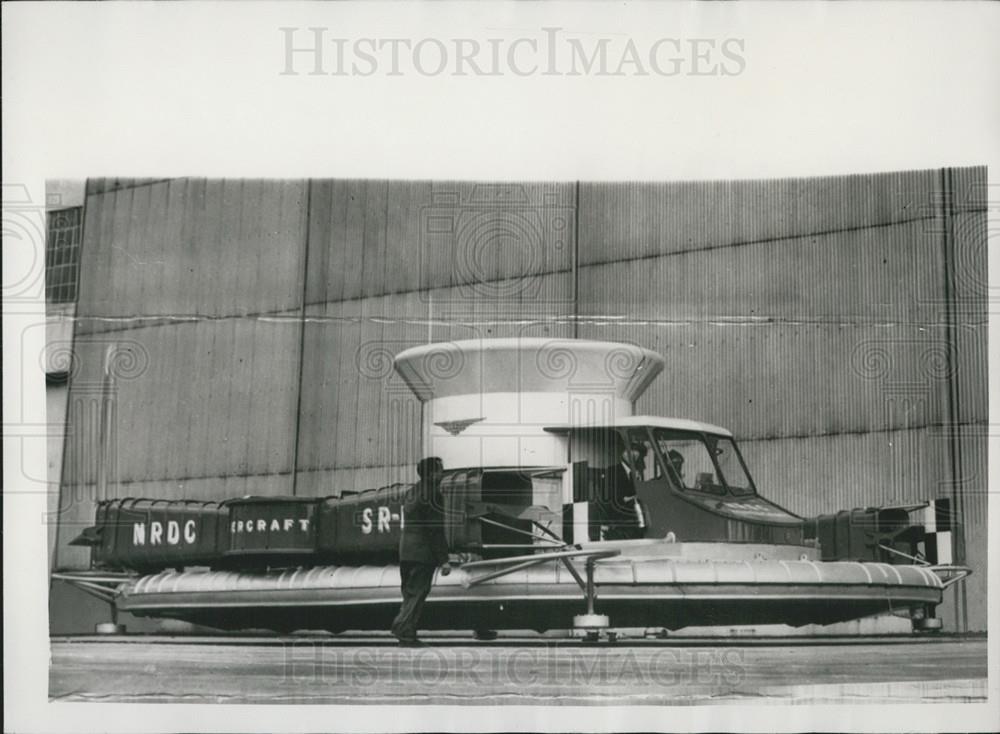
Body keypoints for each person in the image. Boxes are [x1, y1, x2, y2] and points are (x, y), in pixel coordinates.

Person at [390, 456, 452, 646]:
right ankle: (401, 627)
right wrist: (444, 559)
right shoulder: (433, 494)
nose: (442, 474)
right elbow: (434, 529)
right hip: (422, 552)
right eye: (440, 470)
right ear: (432, 474)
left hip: (406, 551)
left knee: (409, 593)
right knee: (418, 593)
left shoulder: (412, 491)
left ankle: (407, 635)